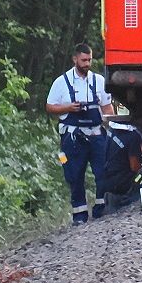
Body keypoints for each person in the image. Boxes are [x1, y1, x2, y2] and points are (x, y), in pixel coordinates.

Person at [46, 43, 114, 223]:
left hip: (96, 134)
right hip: (73, 136)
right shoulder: (61, 82)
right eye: (83, 60)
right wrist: (68, 107)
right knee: (74, 174)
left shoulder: (98, 80)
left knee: (103, 171)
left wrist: (113, 125)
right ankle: (80, 214)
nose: (87, 64)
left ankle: (101, 208)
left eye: (89, 60)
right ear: (75, 59)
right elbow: (50, 106)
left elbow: (107, 106)